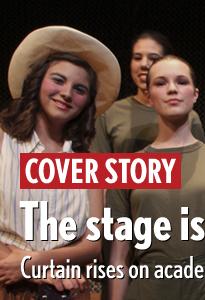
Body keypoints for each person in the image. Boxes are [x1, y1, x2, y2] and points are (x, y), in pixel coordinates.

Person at [107, 55, 205, 300]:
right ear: (148, 97)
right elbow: (119, 258)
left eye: (181, 82)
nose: (172, 89)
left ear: (195, 94)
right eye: (160, 83)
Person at [0, 25, 120, 299]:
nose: (67, 93)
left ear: (87, 101)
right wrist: (18, 264)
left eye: (79, 89)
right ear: (38, 81)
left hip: (69, 290)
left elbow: (92, 247)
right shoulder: (3, 142)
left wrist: (32, 264)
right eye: (58, 80)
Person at [92, 30, 205, 154]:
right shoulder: (109, 113)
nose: (144, 64)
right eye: (137, 58)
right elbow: (98, 167)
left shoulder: (189, 116)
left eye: (153, 58)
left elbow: (200, 161)